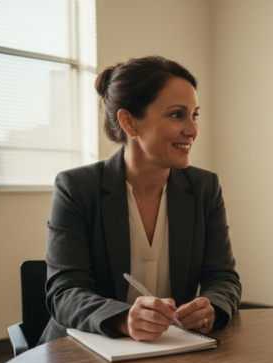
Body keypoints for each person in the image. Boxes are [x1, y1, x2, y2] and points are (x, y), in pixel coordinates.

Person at [39, 56, 241, 344]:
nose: (193, 130)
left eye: (194, 115)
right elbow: (64, 292)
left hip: (169, 348)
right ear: (129, 122)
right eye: (176, 115)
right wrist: (123, 318)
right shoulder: (76, 187)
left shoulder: (204, 188)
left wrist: (211, 307)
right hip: (82, 350)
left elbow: (223, 278)